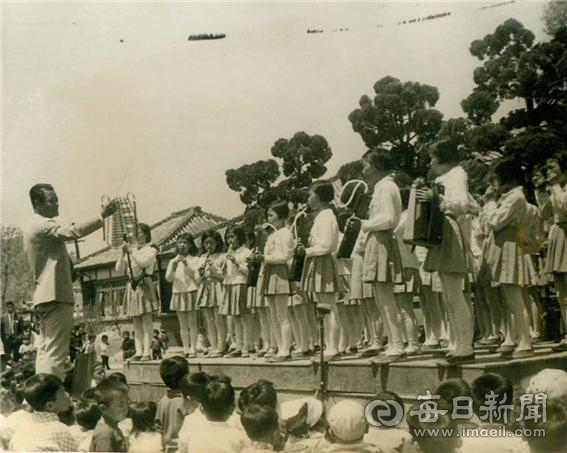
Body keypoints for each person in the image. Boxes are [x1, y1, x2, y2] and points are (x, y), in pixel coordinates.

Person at [25, 184, 116, 379]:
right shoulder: (44, 224)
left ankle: (41, 394)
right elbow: (71, 231)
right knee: (55, 353)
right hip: (56, 295)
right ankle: (51, 396)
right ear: (38, 203)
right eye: (52, 200)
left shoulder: (33, 226)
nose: (57, 203)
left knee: (45, 350)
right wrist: (101, 216)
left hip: (45, 295)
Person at [417, 140, 476, 364]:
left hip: (450, 232)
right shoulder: (446, 177)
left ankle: (465, 346)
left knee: (454, 296)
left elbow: (461, 204)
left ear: (443, 158)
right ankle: (457, 343)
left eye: (433, 157)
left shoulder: (457, 174)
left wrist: (437, 199)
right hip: (444, 233)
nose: (431, 161)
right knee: (449, 297)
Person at [350, 148, 404, 363]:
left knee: (386, 298)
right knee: (381, 298)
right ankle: (392, 343)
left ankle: (397, 345)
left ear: (376, 165)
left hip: (382, 239)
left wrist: (364, 224)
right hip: (376, 240)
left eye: (366, 164)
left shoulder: (386, 187)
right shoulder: (381, 187)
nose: (363, 169)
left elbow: (389, 219)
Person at [485, 158, 536, 358]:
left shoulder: (515, 197)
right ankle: (517, 338)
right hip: (504, 247)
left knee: (515, 299)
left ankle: (525, 341)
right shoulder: (510, 197)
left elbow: (495, 222)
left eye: (497, 179)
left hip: (509, 248)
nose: (494, 184)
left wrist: (489, 202)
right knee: (510, 298)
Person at [297, 180, 343, 361]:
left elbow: (327, 245)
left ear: (319, 196)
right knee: (323, 306)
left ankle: (333, 347)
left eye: (310, 194)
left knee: (329, 306)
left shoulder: (327, 217)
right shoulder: (321, 216)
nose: (308, 199)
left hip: (323, 261)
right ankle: (329, 346)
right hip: (317, 262)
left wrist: (306, 251)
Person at [257, 201, 294, 362]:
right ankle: (280, 348)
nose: (268, 218)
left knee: (282, 315)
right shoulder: (272, 234)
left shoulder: (286, 233)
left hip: (280, 273)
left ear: (281, 215)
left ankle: (286, 349)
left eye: (271, 215)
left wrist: (265, 258)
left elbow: (285, 256)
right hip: (270, 273)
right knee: (273, 316)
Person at [115, 223, 158, 361]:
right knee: (136, 322)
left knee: (146, 320)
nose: (137, 236)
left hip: (144, 283)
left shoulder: (150, 250)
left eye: (139, 233)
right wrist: (122, 254)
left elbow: (143, 263)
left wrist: (132, 252)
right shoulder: (131, 250)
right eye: (135, 234)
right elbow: (119, 270)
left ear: (146, 234)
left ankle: (147, 352)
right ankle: (138, 352)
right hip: (132, 286)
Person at [179, 375, 249, 453]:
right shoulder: (239, 437)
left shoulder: (192, 434)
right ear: (232, 408)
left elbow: (182, 449)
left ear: (201, 408)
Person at [10, 373, 78, 452]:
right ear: (50, 406)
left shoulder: (23, 426)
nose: (67, 395)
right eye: (63, 393)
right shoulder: (60, 430)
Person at [219, 225, 253, 358]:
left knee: (244, 317)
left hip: (240, 284)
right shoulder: (229, 252)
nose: (230, 240)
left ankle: (247, 347)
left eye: (232, 237)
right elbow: (225, 273)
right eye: (228, 238)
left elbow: (248, 271)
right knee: (235, 319)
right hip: (229, 284)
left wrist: (236, 262)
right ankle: (238, 346)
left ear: (240, 237)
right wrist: (222, 268)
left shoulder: (246, 252)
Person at [544, 156, 567, 351]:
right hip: (558, 234)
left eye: (552, 167)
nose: (548, 171)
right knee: (561, 291)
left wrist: (557, 187)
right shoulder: (554, 189)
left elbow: (565, 207)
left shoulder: (561, 189)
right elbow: (545, 214)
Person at [166, 233, 201, 358]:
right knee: (182, 324)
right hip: (178, 292)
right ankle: (185, 348)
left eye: (185, 243)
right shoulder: (172, 261)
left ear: (191, 245)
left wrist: (186, 264)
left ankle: (193, 348)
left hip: (191, 291)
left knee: (192, 323)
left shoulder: (195, 260)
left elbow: (197, 279)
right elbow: (169, 279)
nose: (182, 245)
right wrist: (173, 268)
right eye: (180, 242)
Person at [155, 356, 198, 452]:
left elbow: (158, 427)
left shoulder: (162, 400)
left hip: (166, 448)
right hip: (181, 448)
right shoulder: (186, 402)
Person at [197, 230, 228, 358]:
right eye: (206, 243)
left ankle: (221, 347)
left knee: (218, 319)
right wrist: (200, 272)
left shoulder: (222, 256)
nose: (208, 246)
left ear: (217, 243)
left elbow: (224, 276)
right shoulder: (202, 257)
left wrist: (214, 268)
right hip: (206, 288)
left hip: (217, 287)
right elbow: (197, 278)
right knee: (209, 320)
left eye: (211, 243)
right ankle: (214, 347)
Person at [90, 377, 130, 452]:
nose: (126, 408)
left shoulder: (112, 425)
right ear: (103, 409)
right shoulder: (105, 435)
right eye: (121, 405)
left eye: (127, 403)